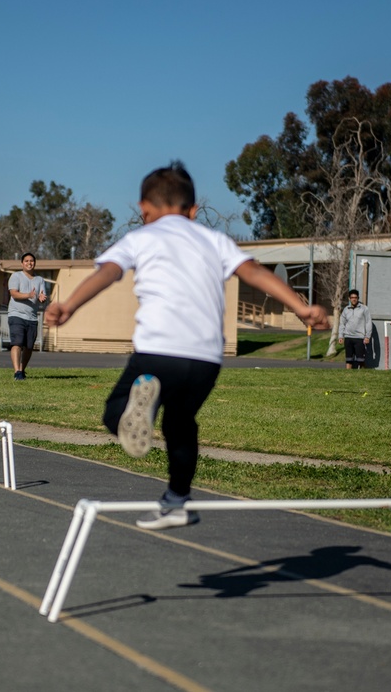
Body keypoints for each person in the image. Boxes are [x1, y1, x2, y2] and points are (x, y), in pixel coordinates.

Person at [45, 161, 329, 529]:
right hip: (206, 359)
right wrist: (301, 308)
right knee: (181, 425)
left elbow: (108, 273)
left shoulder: (140, 237)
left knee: (114, 411)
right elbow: (255, 273)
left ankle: (135, 411)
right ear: (193, 211)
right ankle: (177, 500)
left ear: (143, 210)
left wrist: (69, 305)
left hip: (158, 350)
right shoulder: (214, 240)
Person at [7, 252, 47, 380]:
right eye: (26, 261)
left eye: (32, 261)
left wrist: (42, 298)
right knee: (17, 343)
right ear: (22, 263)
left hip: (32, 317)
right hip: (16, 314)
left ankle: (22, 370)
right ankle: (17, 371)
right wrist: (28, 295)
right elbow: (14, 294)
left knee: (29, 346)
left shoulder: (40, 280)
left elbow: (41, 296)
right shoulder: (16, 276)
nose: (29, 263)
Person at [337, 289, 372, 369]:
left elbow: (368, 323)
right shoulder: (346, 309)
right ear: (349, 298)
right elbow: (342, 323)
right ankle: (347, 378)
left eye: (355, 297)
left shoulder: (364, 309)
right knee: (348, 360)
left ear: (358, 298)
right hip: (348, 337)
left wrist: (367, 336)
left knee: (361, 360)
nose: (354, 299)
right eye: (352, 297)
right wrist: (341, 336)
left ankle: (364, 376)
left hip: (359, 338)